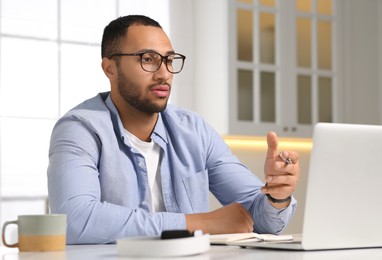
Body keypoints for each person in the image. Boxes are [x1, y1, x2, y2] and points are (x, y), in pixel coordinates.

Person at [47, 15, 300, 244]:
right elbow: (75, 220)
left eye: (169, 60)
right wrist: (198, 224)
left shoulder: (194, 130)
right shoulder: (80, 129)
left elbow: (263, 222)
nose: (164, 73)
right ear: (110, 68)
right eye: (148, 59)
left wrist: (276, 197)